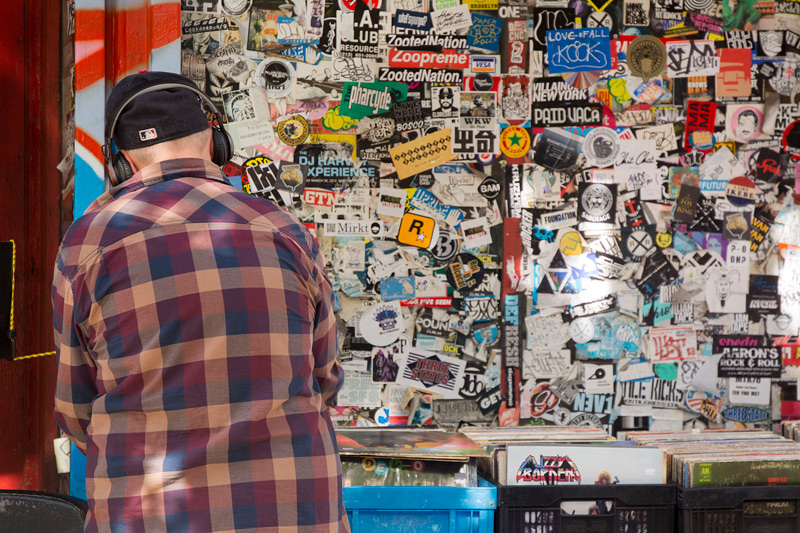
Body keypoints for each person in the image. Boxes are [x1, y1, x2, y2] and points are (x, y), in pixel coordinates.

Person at [52, 71, 349, 532]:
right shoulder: (284, 230)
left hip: (151, 516)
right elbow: (326, 377)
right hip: (293, 509)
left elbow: (76, 410)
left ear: (122, 162)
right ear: (216, 141)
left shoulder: (88, 244)